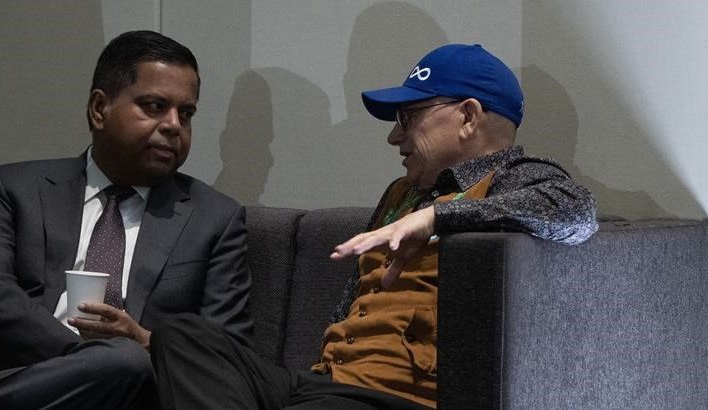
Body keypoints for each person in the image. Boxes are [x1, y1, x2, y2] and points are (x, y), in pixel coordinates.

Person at [148, 44, 598, 409]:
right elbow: (354, 305)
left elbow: (577, 213)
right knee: (183, 335)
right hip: (323, 383)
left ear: (467, 116)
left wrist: (438, 217)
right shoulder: (401, 193)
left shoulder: (515, 178)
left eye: (408, 117)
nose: (394, 137)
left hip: (394, 397)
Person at [0, 30, 252, 410]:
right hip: (23, 383)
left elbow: (227, 356)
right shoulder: (17, 188)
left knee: (126, 363)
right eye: (154, 106)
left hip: (135, 395)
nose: (173, 126)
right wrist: (86, 356)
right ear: (99, 108)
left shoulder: (214, 218)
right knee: (117, 361)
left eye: (187, 113)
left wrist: (142, 343)